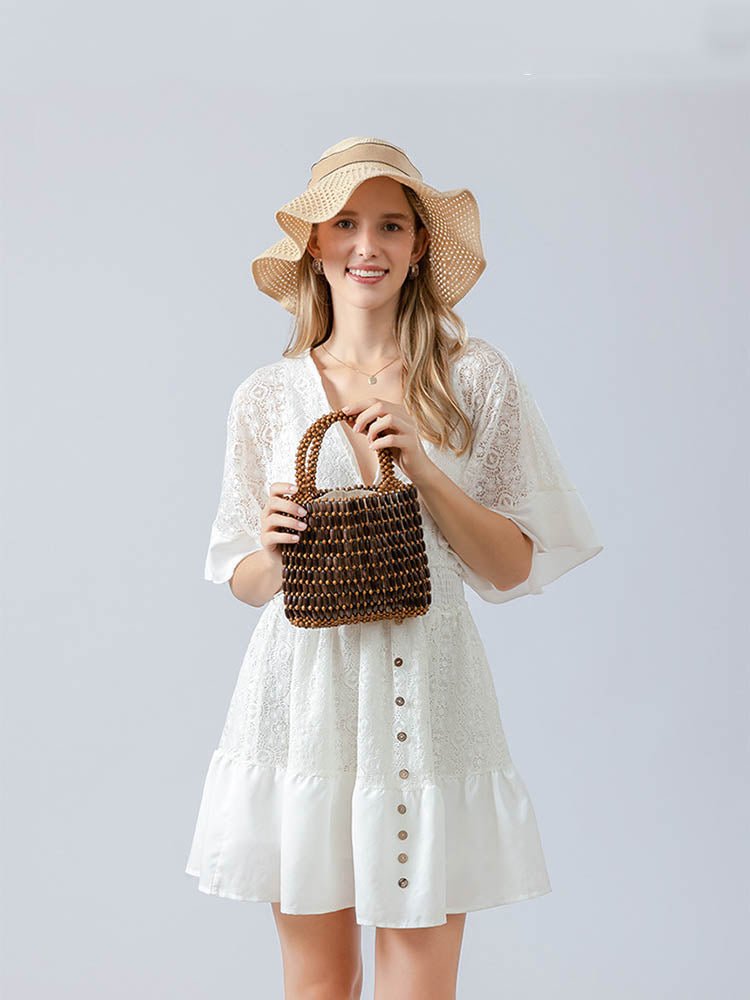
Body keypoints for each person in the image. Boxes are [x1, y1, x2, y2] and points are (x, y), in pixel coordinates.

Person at [185, 136, 603, 1000]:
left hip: (428, 695)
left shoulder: (471, 379)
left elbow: (512, 566)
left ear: (418, 247)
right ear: (315, 244)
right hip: (305, 702)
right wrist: (273, 549)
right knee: (316, 984)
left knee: (420, 988)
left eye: (390, 225)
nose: (366, 245)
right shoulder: (266, 396)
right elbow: (246, 583)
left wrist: (425, 470)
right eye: (345, 224)